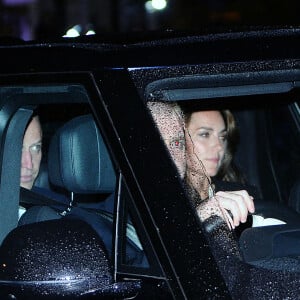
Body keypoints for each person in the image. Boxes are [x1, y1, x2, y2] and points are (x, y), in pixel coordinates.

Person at [147, 101, 300, 299]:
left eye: (223, 136)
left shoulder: (244, 194)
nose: (219, 146)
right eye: (204, 134)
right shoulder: (155, 205)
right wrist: (199, 221)